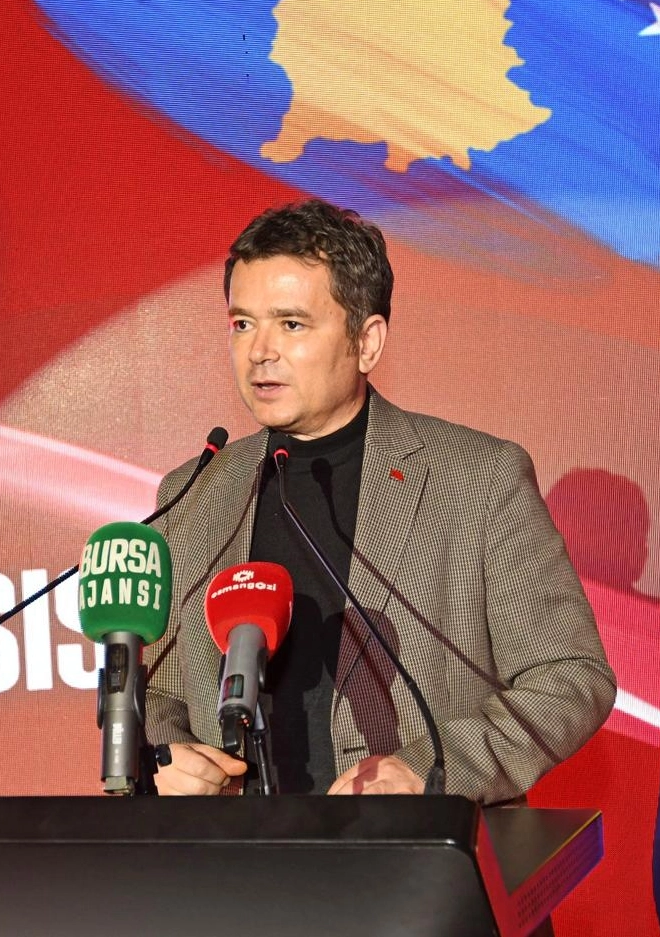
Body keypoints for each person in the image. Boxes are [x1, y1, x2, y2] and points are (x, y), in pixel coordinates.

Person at [145, 198, 616, 802]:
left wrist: (429, 770)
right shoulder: (193, 493)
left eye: (291, 324)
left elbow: (570, 677)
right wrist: (167, 757)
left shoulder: (477, 479)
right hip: (239, 853)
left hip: (409, 850)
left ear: (367, 342)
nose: (259, 351)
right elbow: (157, 692)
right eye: (242, 324)